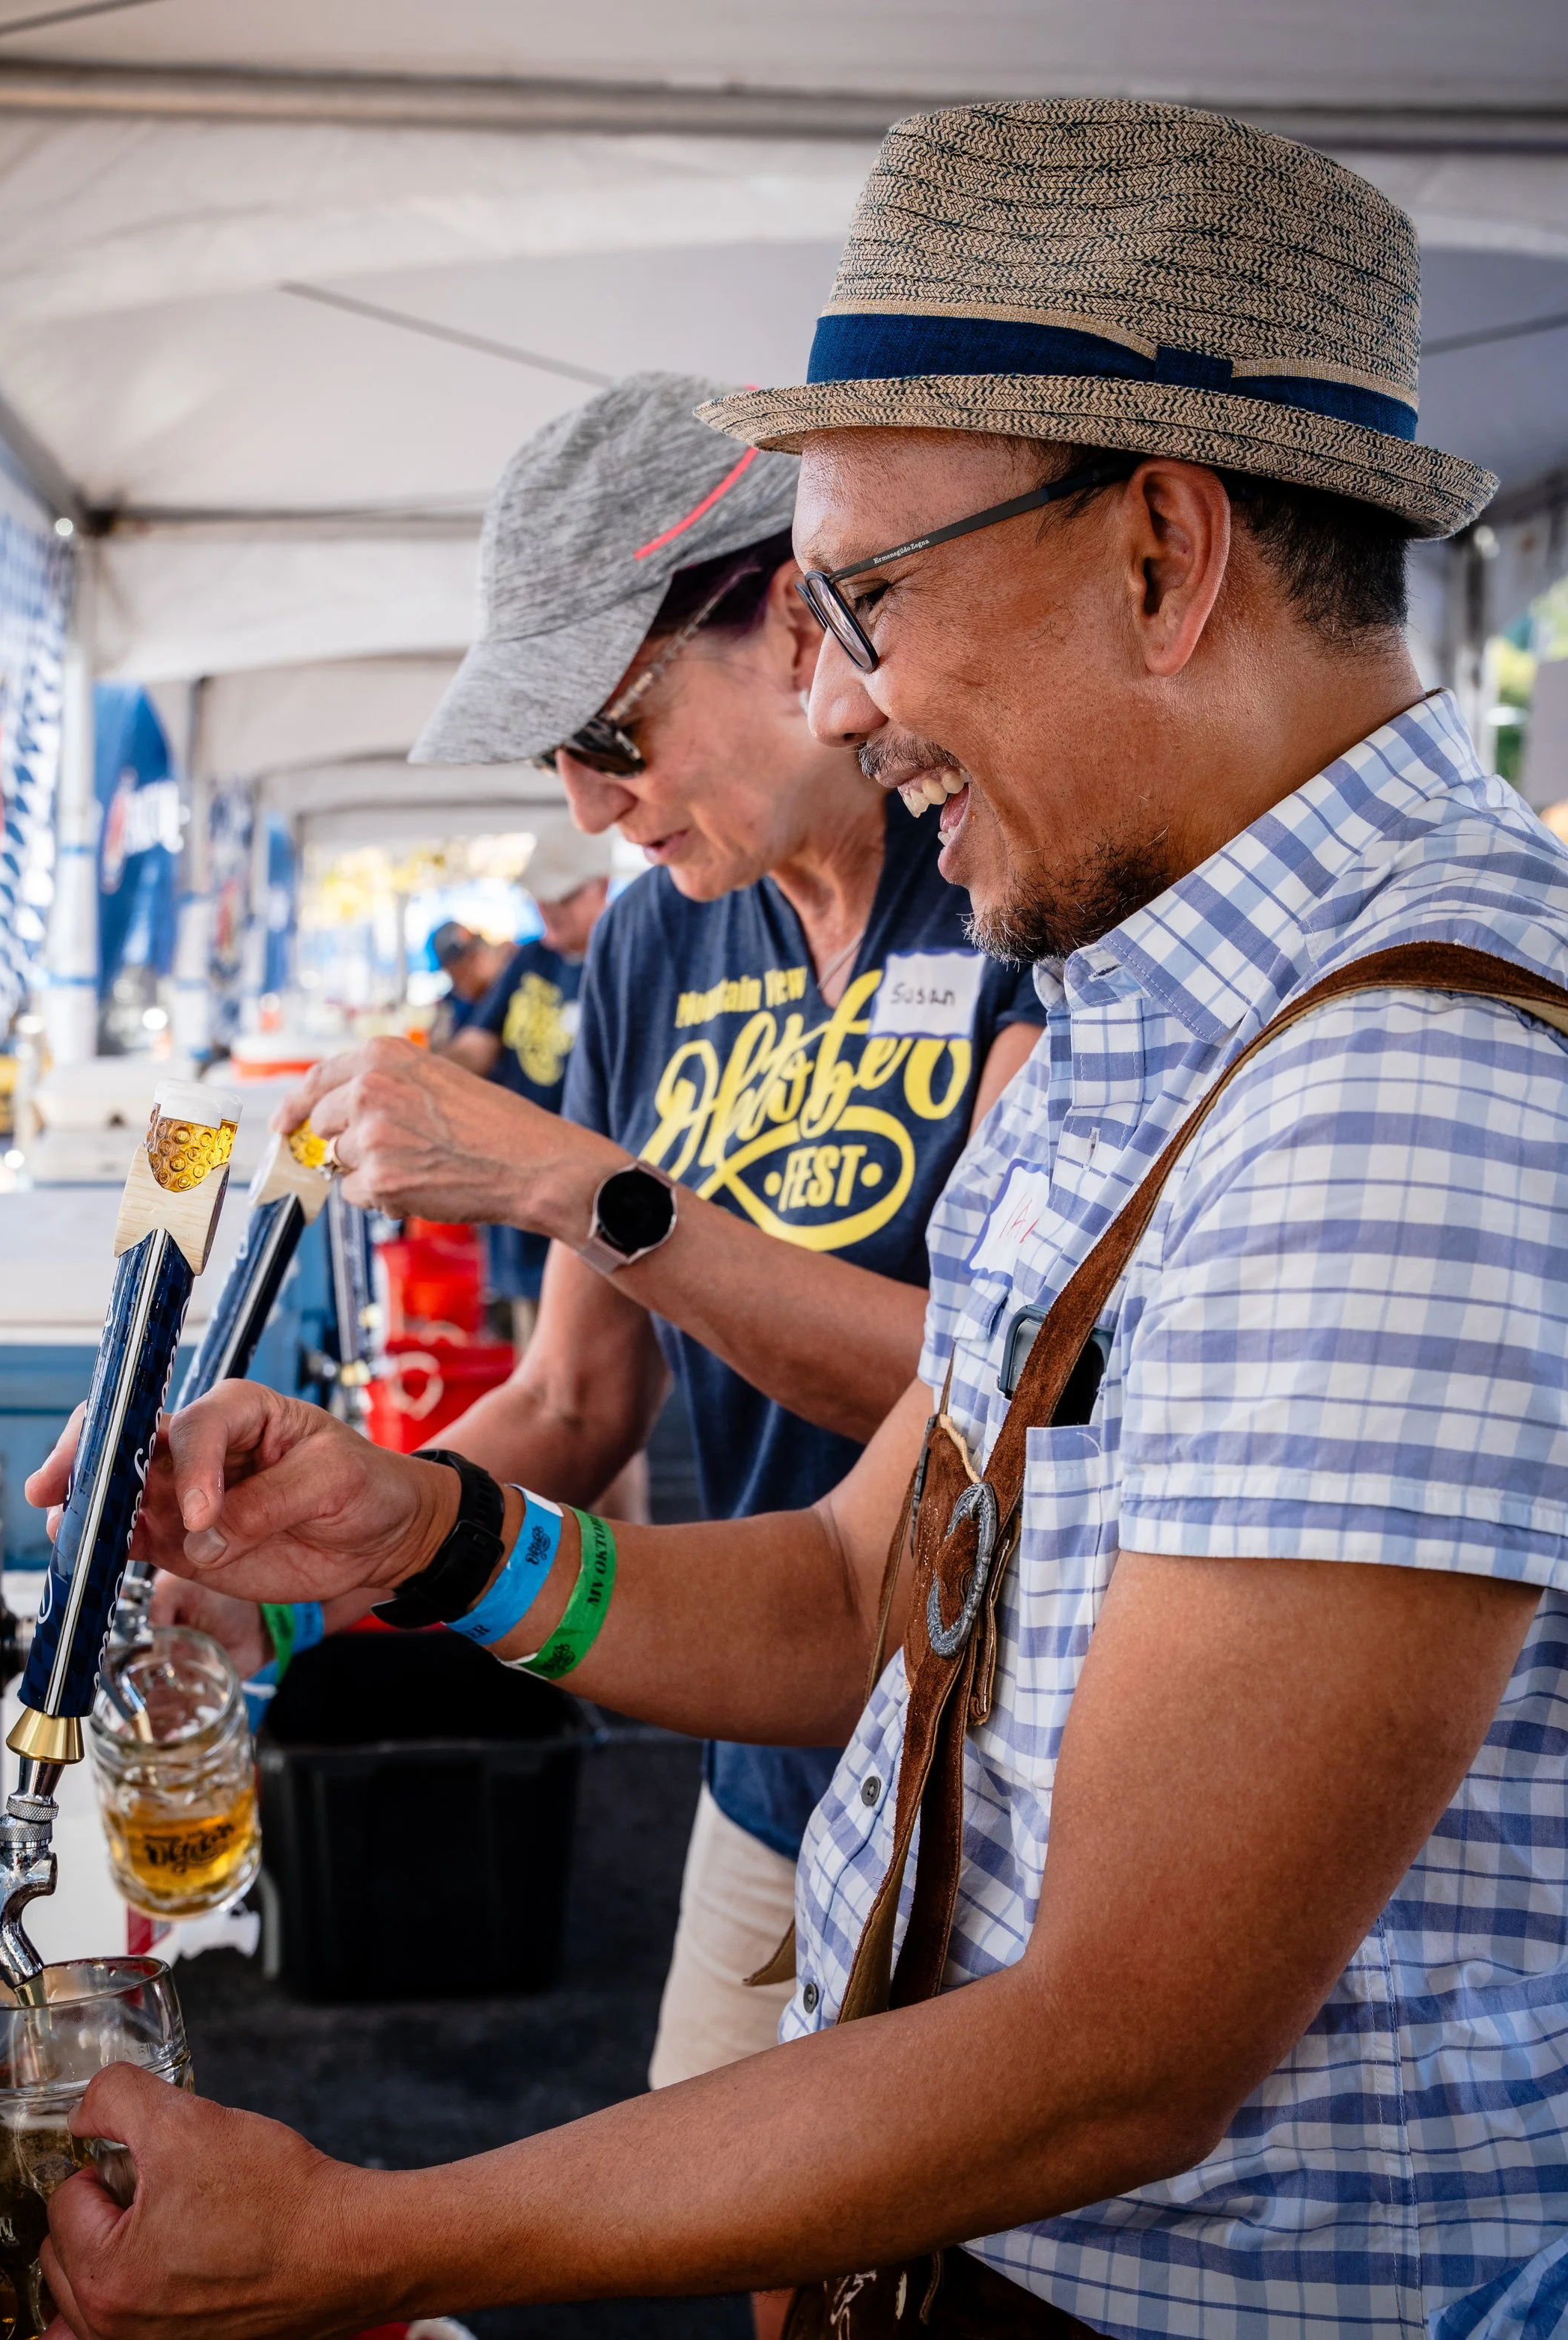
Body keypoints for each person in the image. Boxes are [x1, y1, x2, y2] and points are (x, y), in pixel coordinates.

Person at [28, 103, 1568, 2340]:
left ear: (1156, 552)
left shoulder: (1393, 1086)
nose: (836, 694)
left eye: (864, 599)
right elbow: (873, 1590)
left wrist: (358, 2232)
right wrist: (418, 1541)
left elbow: (1118, 2055)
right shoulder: (1168, 1008)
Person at [263, 371, 1041, 2121]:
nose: (590, 806)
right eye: (556, 758)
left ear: (789, 626)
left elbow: (995, 1378)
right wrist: (292, 1537)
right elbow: (568, 1403)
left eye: (610, 733)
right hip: (761, 1757)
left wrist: (587, 1189)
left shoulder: (1007, 892)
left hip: (997, 1777)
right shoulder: (647, 949)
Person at [441, 825, 615, 1341]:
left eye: (563, 896)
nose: (549, 909)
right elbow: (477, 1045)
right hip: (517, 1182)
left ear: (600, 886)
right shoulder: (531, 959)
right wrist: (415, 1069)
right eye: (541, 897)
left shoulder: (622, 957)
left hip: (589, 1192)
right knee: (528, 1341)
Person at [426, 921, 510, 1039]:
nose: (458, 987)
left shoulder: (513, 990)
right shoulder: (457, 1003)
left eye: (459, 976)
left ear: (477, 958)